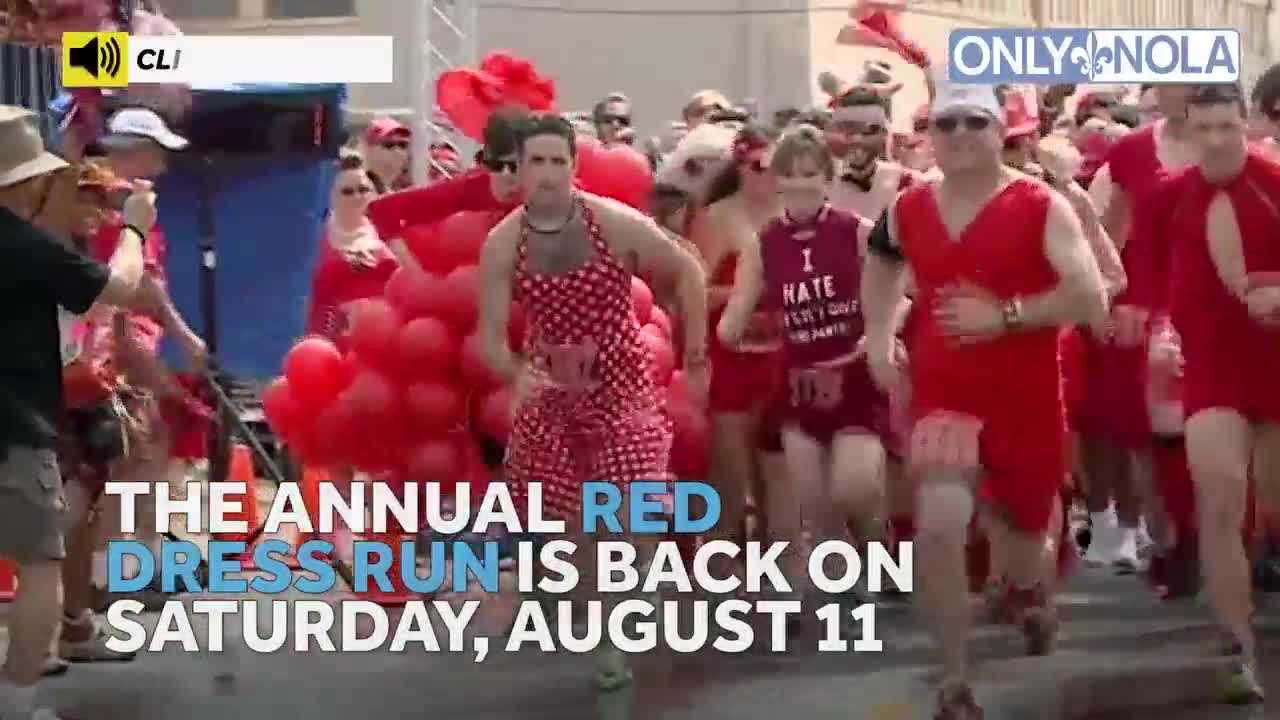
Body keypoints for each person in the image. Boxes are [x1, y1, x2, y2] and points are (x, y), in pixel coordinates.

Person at [860, 82, 1107, 718]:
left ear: (1002, 132)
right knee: (939, 529)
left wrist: (1008, 315)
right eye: (946, 125)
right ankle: (954, 679)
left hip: (1024, 401)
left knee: (1025, 545)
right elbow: (881, 264)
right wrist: (881, 334)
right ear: (929, 136)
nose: (959, 135)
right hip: (944, 398)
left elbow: (1089, 296)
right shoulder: (909, 206)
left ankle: (1030, 595)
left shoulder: (1039, 204)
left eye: (975, 122)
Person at [477, 113, 708, 690]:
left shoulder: (613, 223)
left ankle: (623, 622)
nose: (549, 174)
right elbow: (486, 336)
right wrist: (513, 372)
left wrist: (696, 352)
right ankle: (605, 614)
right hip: (552, 394)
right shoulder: (503, 244)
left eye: (560, 161)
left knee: (632, 508)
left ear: (574, 169)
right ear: (520, 171)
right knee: (576, 541)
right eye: (538, 162)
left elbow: (687, 270)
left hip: (622, 384)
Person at [0, 104, 153, 720]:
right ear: (27, 182)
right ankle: (18, 704)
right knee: (40, 568)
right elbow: (117, 289)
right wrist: (135, 231)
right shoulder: (23, 244)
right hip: (16, 425)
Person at [718, 124, 888, 604]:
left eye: (810, 174)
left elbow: (905, 288)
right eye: (789, 175)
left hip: (854, 373)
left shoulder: (855, 231)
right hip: (797, 381)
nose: (799, 185)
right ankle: (848, 579)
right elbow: (733, 320)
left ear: (827, 178)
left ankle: (877, 542)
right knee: (815, 501)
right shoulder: (764, 242)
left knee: (852, 487)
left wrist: (883, 332)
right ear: (777, 180)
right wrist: (740, 331)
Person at [1165, 82, 1279, 704]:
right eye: (1202, 128)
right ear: (1184, 131)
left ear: (1247, 125)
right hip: (1211, 367)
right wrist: (1143, 319)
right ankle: (1237, 644)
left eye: (1226, 127)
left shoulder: (1275, 181)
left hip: (1276, 364)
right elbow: (1124, 262)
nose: (1215, 140)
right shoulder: (1170, 194)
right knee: (1220, 489)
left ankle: (1263, 561)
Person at [1080, 85, 1197, 572]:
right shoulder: (1132, 152)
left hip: (1216, 303)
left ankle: (1213, 540)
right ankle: (1166, 540)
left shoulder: (1243, 149)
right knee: (1147, 429)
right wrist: (1103, 298)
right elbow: (1111, 236)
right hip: (1147, 306)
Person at [687, 123, 786, 564]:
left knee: (778, 488)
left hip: (783, 357)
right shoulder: (718, 218)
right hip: (730, 358)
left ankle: (778, 588)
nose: (770, 176)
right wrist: (746, 293)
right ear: (741, 167)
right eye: (760, 166)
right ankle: (720, 576)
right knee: (729, 475)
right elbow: (693, 290)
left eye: (777, 167)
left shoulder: (797, 209)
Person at [366, 108, 527, 270]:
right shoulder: (472, 186)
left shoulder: (546, 189)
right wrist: (414, 271)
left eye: (516, 165)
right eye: (497, 166)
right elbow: (382, 209)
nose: (507, 175)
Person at [361, 116, 412, 194]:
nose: (397, 151)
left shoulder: (398, 191)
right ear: (369, 149)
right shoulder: (358, 189)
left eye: (403, 145)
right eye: (389, 144)